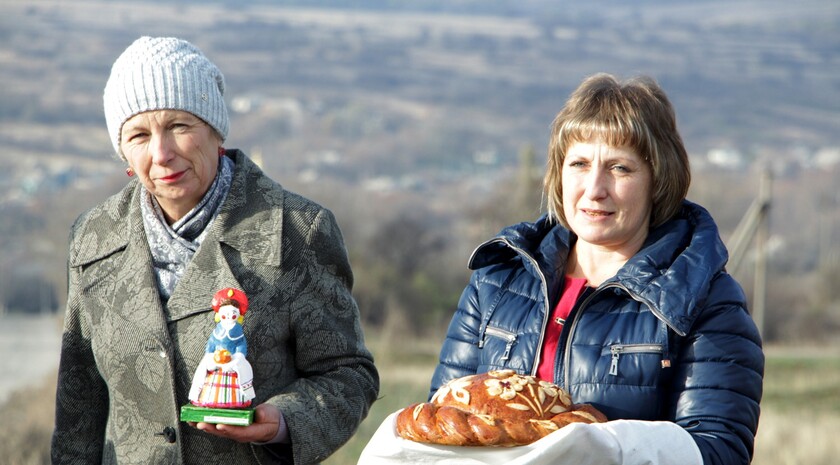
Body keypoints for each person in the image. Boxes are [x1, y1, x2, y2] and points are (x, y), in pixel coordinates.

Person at [359, 73, 763, 465]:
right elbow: (445, 423)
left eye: (620, 168)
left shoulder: (701, 299)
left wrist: (599, 447)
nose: (594, 188)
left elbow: (718, 449)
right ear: (558, 172)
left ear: (658, 181)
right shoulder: (498, 281)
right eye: (580, 164)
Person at [52, 36, 379, 465]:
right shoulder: (93, 237)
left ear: (214, 130)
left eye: (179, 127)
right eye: (138, 134)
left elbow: (347, 374)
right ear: (123, 152)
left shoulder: (295, 230)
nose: (162, 153)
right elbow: (79, 406)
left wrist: (282, 421)